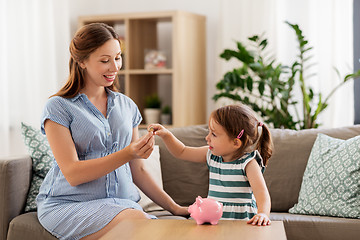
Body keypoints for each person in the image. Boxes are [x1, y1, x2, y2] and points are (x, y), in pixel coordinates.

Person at [37, 22, 188, 240]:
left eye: (117, 57)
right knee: (141, 225)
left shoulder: (127, 106)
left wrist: (176, 208)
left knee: (145, 224)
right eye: (104, 61)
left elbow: (139, 171)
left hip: (122, 204)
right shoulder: (59, 107)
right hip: (70, 204)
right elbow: (73, 173)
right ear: (82, 61)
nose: (115, 67)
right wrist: (128, 153)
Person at [149, 104, 273, 226]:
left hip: (242, 224)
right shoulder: (211, 156)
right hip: (214, 223)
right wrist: (166, 135)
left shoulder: (248, 163)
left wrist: (263, 214)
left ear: (236, 142)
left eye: (213, 134)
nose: (207, 138)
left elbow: (262, 194)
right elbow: (181, 151)